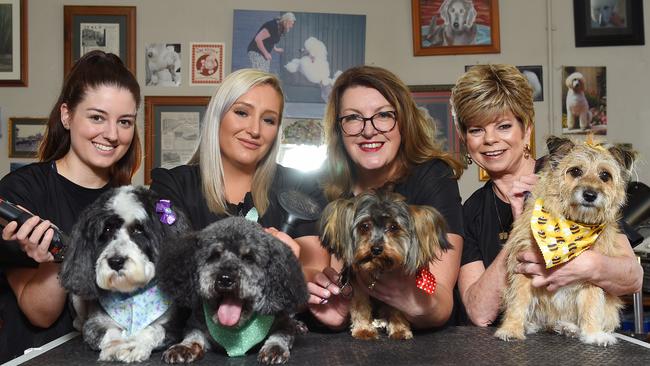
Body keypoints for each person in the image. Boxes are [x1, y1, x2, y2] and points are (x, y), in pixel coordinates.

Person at [452, 64, 643, 327]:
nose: (490, 139)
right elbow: (479, 312)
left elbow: (632, 277)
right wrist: (521, 230)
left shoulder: (571, 174)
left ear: (526, 129)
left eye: (504, 126)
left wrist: (585, 266)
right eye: (476, 130)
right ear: (465, 138)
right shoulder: (471, 210)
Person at [0, 50, 142, 362]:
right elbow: (40, 315)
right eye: (97, 117)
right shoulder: (23, 192)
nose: (112, 134)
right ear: (67, 115)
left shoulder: (131, 203)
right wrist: (57, 262)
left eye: (125, 122)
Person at [307, 65, 465, 330]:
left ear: (403, 121)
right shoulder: (321, 187)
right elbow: (334, 293)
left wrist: (402, 295)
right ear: (338, 129)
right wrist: (328, 296)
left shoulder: (433, 177)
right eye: (353, 118)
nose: (369, 131)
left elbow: (439, 304)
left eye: (383, 115)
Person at [149, 68, 328, 282]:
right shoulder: (170, 187)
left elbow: (316, 270)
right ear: (217, 116)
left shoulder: (301, 186)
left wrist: (288, 269)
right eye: (242, 113)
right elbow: (170, 263)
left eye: (269, 120)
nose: (255, 130)